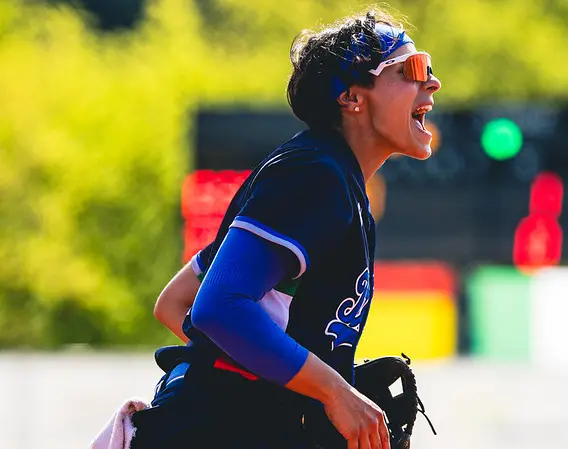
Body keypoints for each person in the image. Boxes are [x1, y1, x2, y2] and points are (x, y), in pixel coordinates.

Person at [129, 7, 441, 449]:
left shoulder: (330, 176)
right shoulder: (314, 175)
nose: (432, 81)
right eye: (411, 68)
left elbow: (176, 302)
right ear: (352, 97)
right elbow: (216, 307)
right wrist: (332, 390)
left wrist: (297, 380)